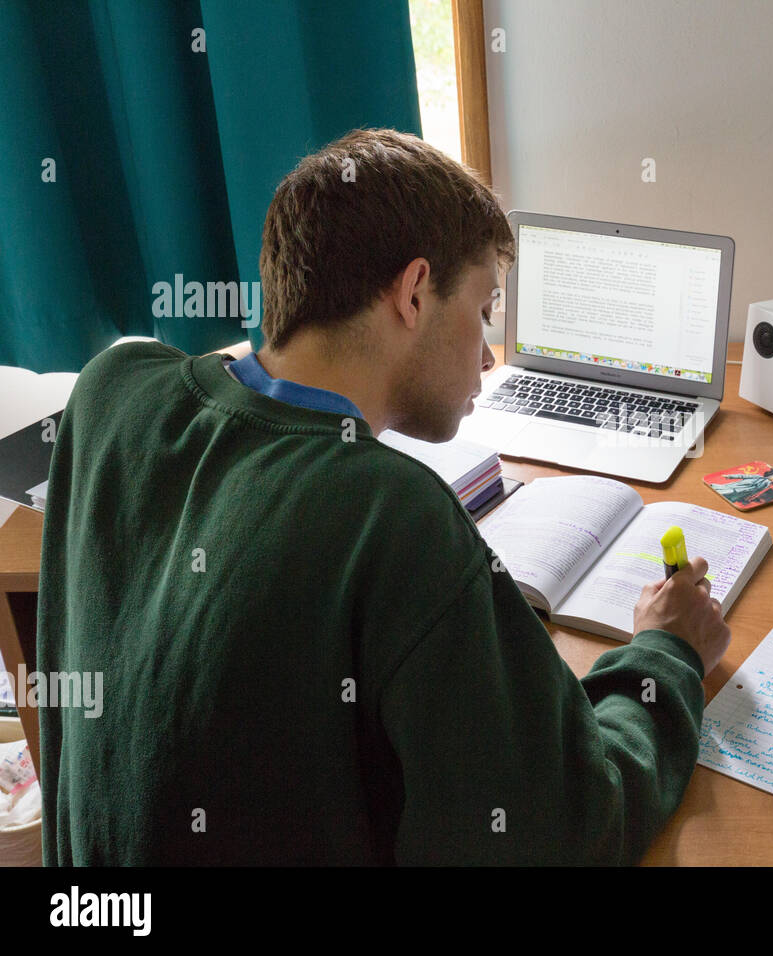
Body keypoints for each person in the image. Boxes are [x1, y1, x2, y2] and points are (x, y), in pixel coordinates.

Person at [37, 128, 730, 865]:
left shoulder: (110, 390)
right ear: (413, 292)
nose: (489, 353)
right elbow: (567, 829)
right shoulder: (390, 510)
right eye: (485, 308)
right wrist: (668, 652)